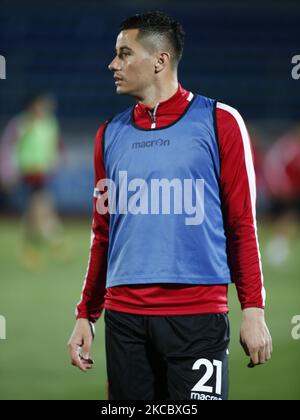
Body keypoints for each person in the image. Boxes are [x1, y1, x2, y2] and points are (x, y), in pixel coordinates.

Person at [68, 11, 272, 400]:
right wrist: (86, 315)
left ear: (160, 60)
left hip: (197, 318)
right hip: (125, 319)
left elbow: (241, 224)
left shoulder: (220, 122)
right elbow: (103, 234)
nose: (113, 64)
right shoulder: (109, 134)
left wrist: (253, 309)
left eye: (125, 53)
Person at [0, 93, 64, 269]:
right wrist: (7, 173)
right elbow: (8, 148)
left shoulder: (49, 123)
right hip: (29, 173)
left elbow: (55, 145)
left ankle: (30, 248)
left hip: (44, 172)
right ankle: (54, 240)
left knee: (34, 211)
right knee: (41, 207)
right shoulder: (21, 123)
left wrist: (56, 161)